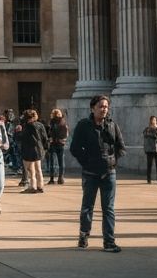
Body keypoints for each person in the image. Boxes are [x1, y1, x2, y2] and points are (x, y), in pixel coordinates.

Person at [70, 94, 126, 252]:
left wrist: (113, 161)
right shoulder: (84, 125)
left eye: (106, 107)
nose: (104, 109)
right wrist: (86, 162)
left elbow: (121, 147)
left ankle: (109, 241)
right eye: (101, 106)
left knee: (108, 208)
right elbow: (75, 148)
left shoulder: (112, 125)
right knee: (87, 206)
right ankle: (84, 236)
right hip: (90, 172)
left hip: (109, 172)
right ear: (92, 108)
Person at [19, 109, 49, 194]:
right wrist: (45, 148)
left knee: (30, 170)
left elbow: (22, 138)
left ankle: (32, 186)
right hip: (39, 149)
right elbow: (45, 138)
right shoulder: (40, 125)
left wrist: (18, 133)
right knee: (38, 169)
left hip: (29, 150)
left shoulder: (27, 126)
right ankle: (40, 186)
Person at [46, 109, 69, 185]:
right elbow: (66, 132)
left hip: (53, 143)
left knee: (52, 162)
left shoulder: (52, 122)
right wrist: (63, 139)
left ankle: (52, 178)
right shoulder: (63, 121)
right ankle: (60, 178)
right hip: (60, 143)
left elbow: (49, 132)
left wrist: (50, 139)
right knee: (61, 162)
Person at [142, 115, 157, 185]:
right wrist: (152, 135)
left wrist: (152, 135)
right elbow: (145, 135)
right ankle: (149, 180)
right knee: (149, 165)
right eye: (152, 120)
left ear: (156, 121)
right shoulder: (147, 129)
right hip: (149, 149)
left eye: (154, 120)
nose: (153, 121)